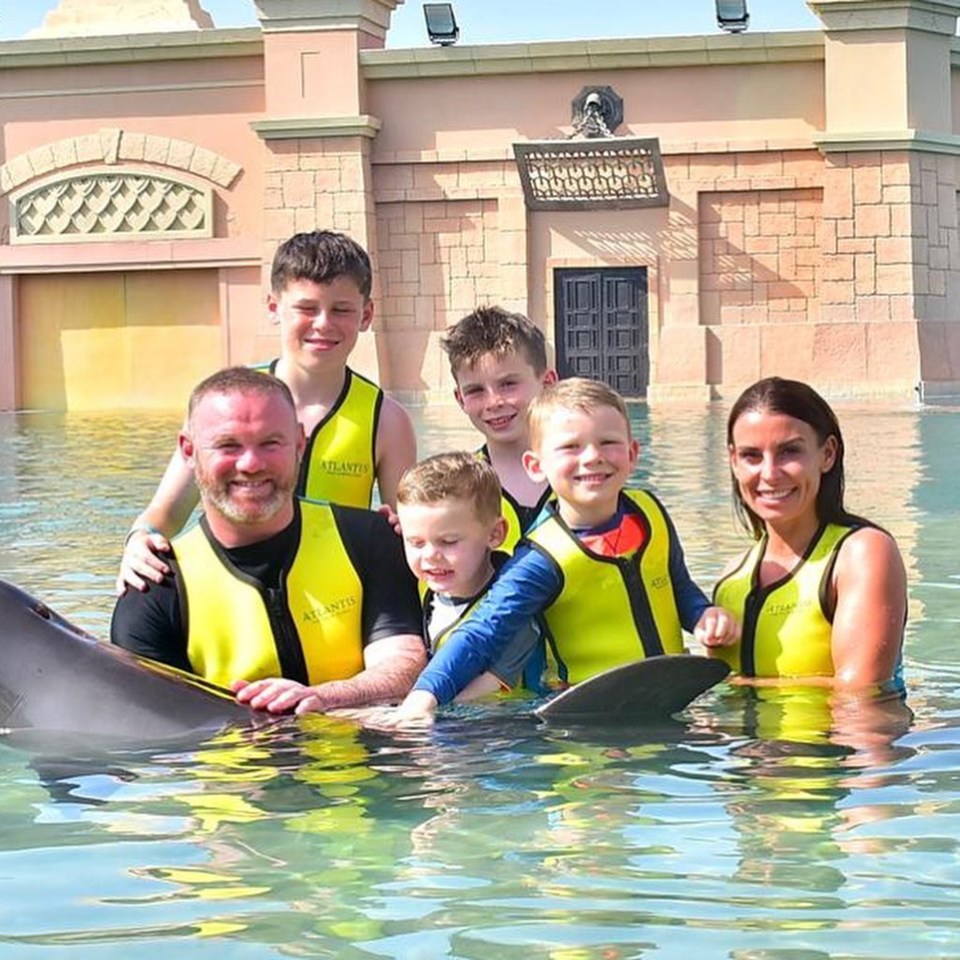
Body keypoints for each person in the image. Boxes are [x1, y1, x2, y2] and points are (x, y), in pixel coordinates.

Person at [388, 377, 739, 725]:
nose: (592, 457)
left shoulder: (650, 510)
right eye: (571, 447)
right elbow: (483, 630)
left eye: (608, 442)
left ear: (632, 454)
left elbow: (676, 584)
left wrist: (703, 614)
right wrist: (424, 697)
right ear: (535, 466)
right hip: (587, 716)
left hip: (673, 697)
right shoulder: (540, 558)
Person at [110, 366, 426, 715]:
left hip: (373, 764)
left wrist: (325, 698)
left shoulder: (369, 539)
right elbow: (156, 732)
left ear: (300, 444)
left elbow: (404, 664)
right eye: (228, 445)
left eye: (270, 443)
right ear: (188, 450)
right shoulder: (155, 587)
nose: (251, 464)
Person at [118, 229, 417, 592]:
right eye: (306, 308)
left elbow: (413, 533)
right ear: (274, 308)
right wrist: (140, 539)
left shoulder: (385, 419)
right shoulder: (222, 402)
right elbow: (166, 512)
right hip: (232, 593)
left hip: (333, 600)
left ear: (366, 315)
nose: (323, 323)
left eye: (341, 309)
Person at [708, 376, 907, 688]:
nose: (770, 474)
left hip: (838, 737)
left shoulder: (861, 554)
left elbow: (861, 694)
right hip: (747, 740)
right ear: (733, 461)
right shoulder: (732, 578)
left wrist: (742, 685)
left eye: (790, 452)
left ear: (827, 454)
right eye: (751, 456)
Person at [395, 451, 541, 700]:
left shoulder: (513, 610)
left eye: (449, 542)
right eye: (416, 542)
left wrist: (412, 713)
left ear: (495, 534)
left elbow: (489, 690)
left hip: (506, 730)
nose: (430, 555)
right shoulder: (422, 589)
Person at [441, 306, 557, 550]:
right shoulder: (456, 487)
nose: (494, 402)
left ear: (548, 383)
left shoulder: (586, 471)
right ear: (460, 399)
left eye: (508, 384)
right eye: (475, 391)